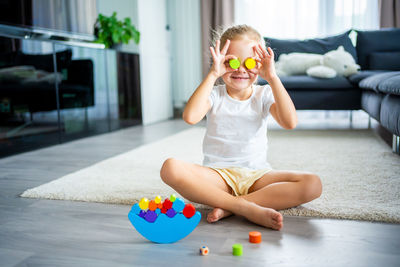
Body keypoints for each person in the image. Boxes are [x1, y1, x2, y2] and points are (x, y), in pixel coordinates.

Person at [160, 25, 322, 230]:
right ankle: (244, 207)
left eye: (251, 62)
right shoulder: (215, 94)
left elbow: (290, 122)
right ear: (220, 61)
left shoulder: (263, 94)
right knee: (170, 168)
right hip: (218, 177)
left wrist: (272, 77)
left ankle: (230, 207)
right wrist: (212, 74)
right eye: (231, 61)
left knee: (313, 184)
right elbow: (190, 117)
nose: (241, 69)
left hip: (257, 176)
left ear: (261, 64)